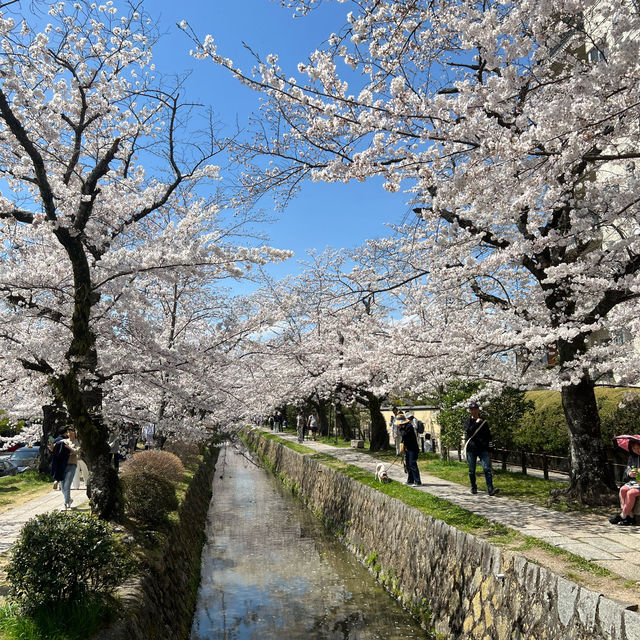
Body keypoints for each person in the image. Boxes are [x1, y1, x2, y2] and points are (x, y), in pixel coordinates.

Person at [463, 402, 499, 496]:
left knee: (487, 468)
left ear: (478, 410)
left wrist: (490, 449)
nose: (474, 411)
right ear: (470, 411)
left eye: (475, 409)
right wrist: (476, 423)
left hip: (483, 448)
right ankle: (473, 487)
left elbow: (488, 436)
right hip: (471, 448)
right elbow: (469, 432)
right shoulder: (467, 421)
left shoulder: (484, 422)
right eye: (472, 409)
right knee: (472, 470)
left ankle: (490, 488)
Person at [609, 440, 640, 526]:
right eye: (634, 448)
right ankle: (630, 516)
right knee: (623, 489)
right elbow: (627, 471)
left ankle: (623, 515)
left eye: (638, 448)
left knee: (631, 493)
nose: (637, 450)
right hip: (635, 483)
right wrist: (630, 474)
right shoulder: (632, 457)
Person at [52, 427, 81, 509]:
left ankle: (65, 503)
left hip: (72, 464)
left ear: (75, 434)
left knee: (67, 484)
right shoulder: (64, 441)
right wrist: (51, 445)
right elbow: (54, 449)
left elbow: (76, 451)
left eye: (72, 432)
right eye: (69, 432)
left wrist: (69, 448)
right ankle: (69, 499)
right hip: (63, 465)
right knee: (62, 485)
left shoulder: (77, 442)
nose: (70, 434)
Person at [396, 411, 422, 487]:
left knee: (412, 464)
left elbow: (404, 434)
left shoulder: (409, 426)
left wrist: (400, 429)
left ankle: (417, 481)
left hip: (413, 448)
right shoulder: (404, 427)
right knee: (408, 464)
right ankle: (410, 480)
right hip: (408, 448)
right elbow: (403, 438)